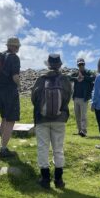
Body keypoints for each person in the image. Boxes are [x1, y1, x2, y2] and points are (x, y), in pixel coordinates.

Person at [31, 54, 72, 189]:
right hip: (59, 119)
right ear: (60, 65)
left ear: (47, 65)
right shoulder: (65, 80)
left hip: (42, 119)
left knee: (43, 147)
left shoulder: (41, 79)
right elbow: (67, 98)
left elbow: (34, 98)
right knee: (58, 149)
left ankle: (45, 179)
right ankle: (59, 180)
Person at [0, 37, 21, 158]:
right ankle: (3, 149)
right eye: (18, 46)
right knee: (11, 120)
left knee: (4, 118)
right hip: (9, 91)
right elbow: (15, 76)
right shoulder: (14, 57)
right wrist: (19, 85)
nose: (18, 48)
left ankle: (2, 144)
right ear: (15, 47)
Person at [69, 58, 95, 137]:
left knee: (83, 115)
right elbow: (68, 77)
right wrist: (76, 78)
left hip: (84, 98)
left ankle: (84, 131)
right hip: (76, 97)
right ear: (77, 65)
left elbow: (93, 77)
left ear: (84, 64)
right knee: (77, 116)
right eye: (79, 64)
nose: (81, 66)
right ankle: (79, 130)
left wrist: (84, 77)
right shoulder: (76, 73)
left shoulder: (88, 72)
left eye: (82, 64)